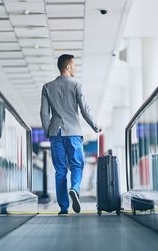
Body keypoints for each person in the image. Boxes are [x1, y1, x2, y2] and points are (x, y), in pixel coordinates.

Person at [40, 54, 101, 216]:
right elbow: (85, 109)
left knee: (60, 170)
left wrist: (48, 131)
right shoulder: (76, 85)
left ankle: (63, 207)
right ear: (67, 67)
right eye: (73, 65)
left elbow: (44, 113)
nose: (75, 68)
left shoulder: (47, 87)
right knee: (77, 165)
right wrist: (95, 126)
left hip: (56, 133)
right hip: (73, 132)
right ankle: (74, 188)